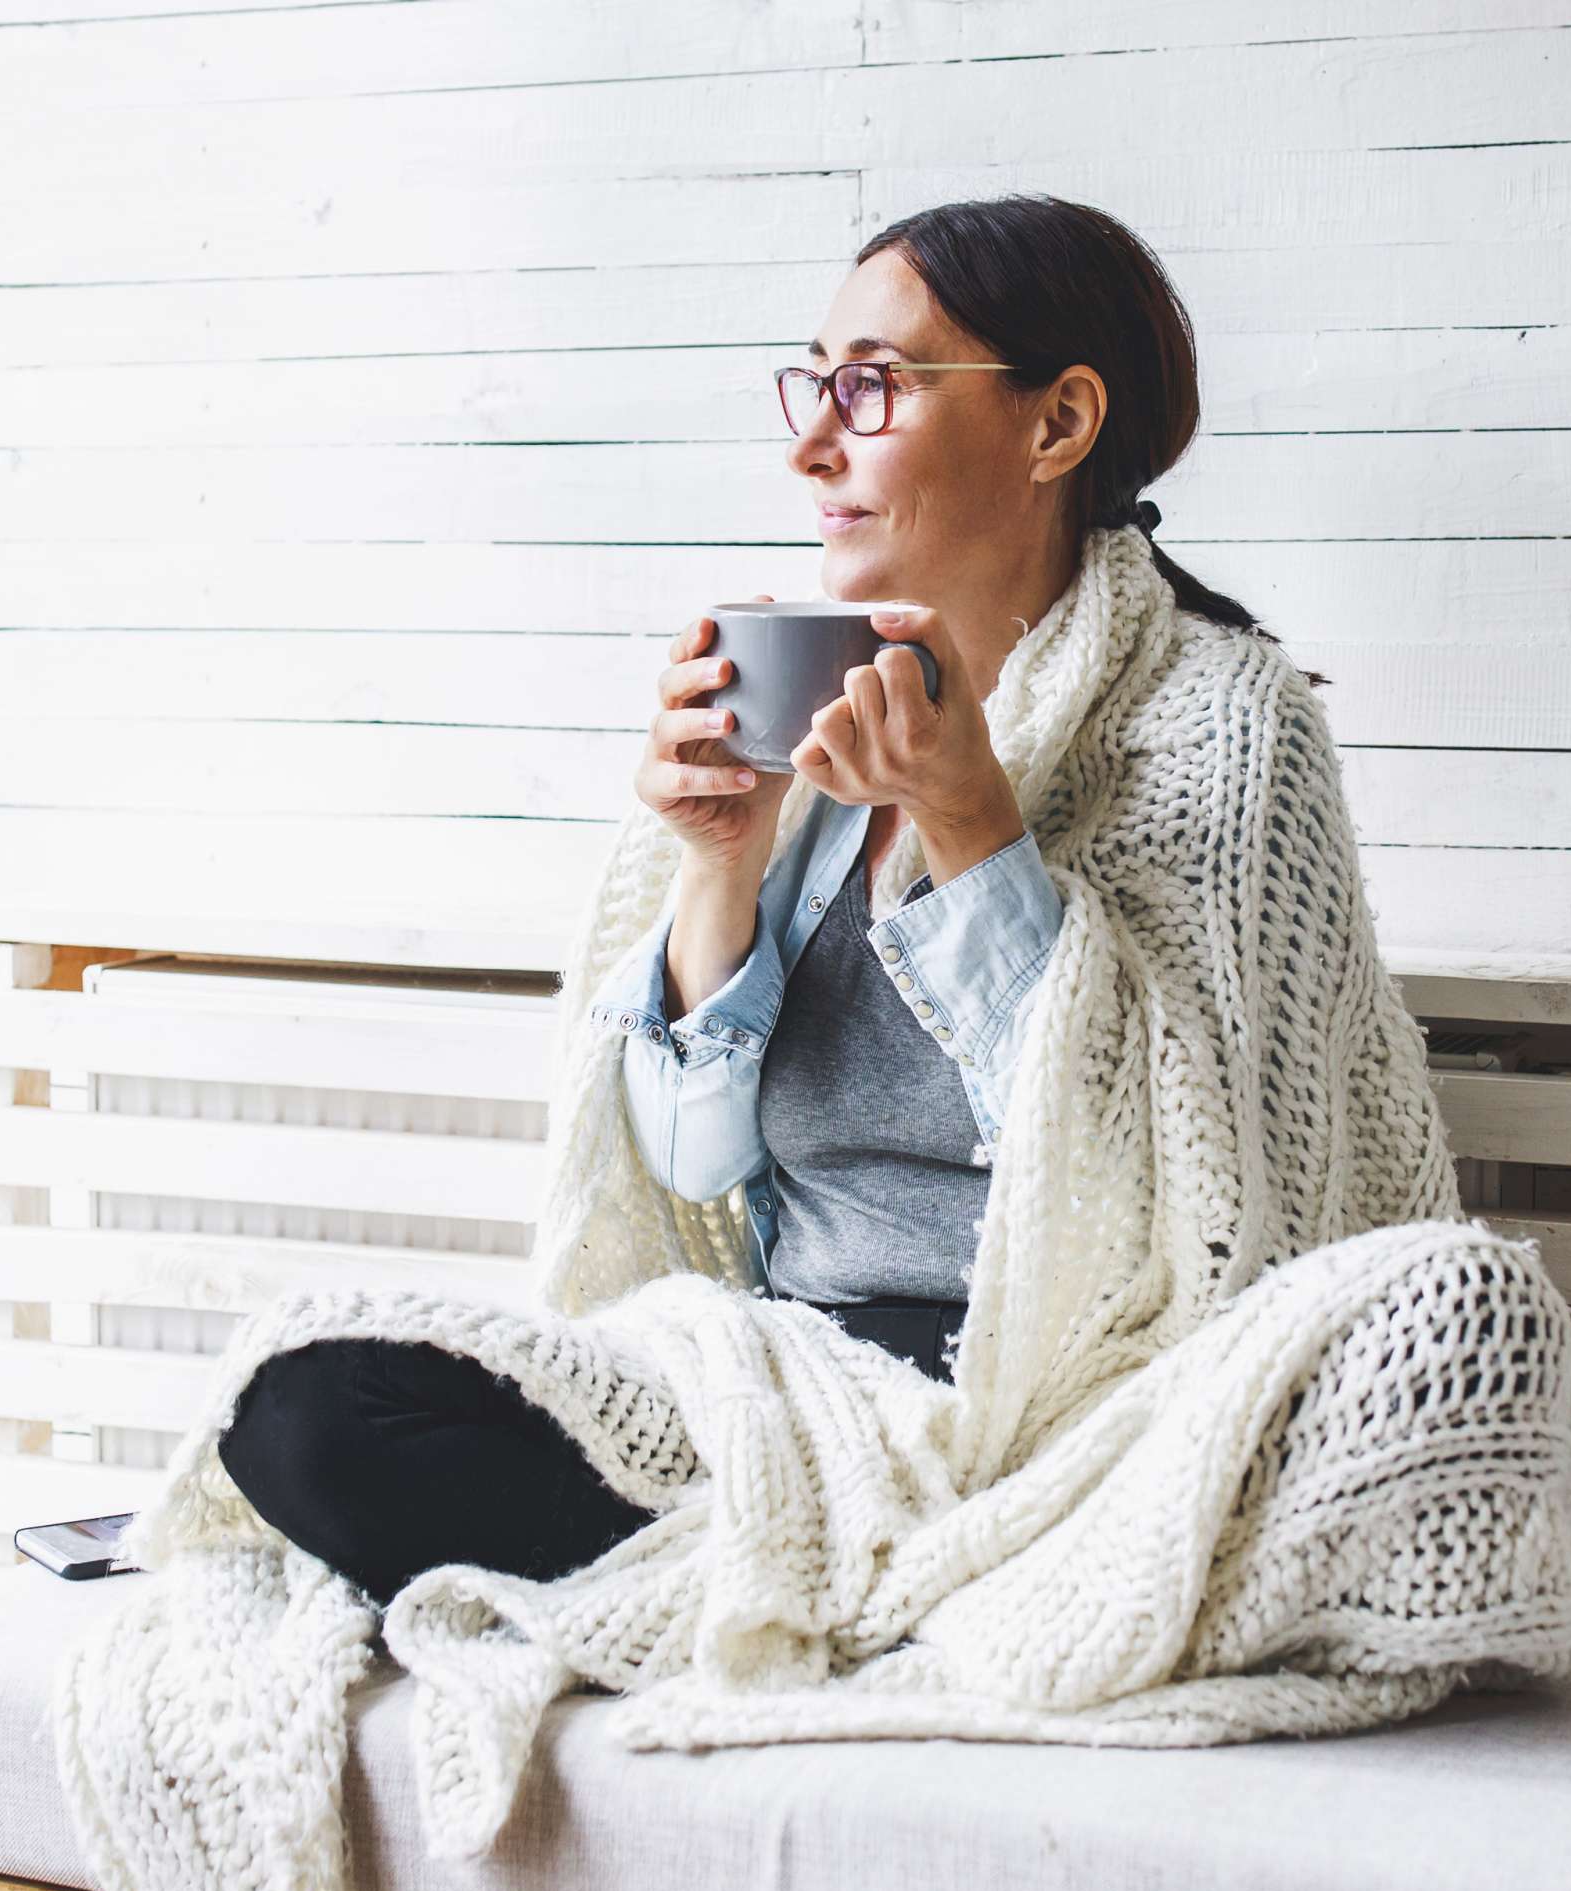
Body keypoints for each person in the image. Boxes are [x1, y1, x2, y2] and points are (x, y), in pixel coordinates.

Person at [220, 194, 1326, 1602]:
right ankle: (843, 1579)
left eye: (874, 387)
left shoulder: (1218, 722)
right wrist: (721, 863)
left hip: (1076, 1407)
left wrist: (972, 821)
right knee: (307, 1413)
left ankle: (828, 1580)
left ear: (1057, 425)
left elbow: (1183, 1194)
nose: (812, 444)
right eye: (817, 384)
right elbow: (689, 1179)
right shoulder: (810, 728)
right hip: (781, 1380)